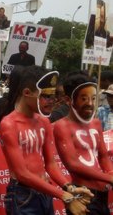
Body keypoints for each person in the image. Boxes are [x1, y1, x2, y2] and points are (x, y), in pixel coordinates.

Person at [0, 66, 92, 215]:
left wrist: (69, 187)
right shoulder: (9, 124)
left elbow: (51, 164)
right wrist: (63, 195)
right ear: (27, 93)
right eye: (45, 96)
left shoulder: (44, 121)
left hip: (45, 191)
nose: (52, 101)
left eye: (53, 95)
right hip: (22, 195)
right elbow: (22, 173)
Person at [54, 73, 113, 214]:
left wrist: (110, 173)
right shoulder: (62, 126)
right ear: (69, 100)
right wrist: (108, 177)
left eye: (93, 98)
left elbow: (103, 156)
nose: (90, 104)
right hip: (82, 195)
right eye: (84, 98)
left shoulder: (96, 123)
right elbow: (73, 164)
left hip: (103, 195)